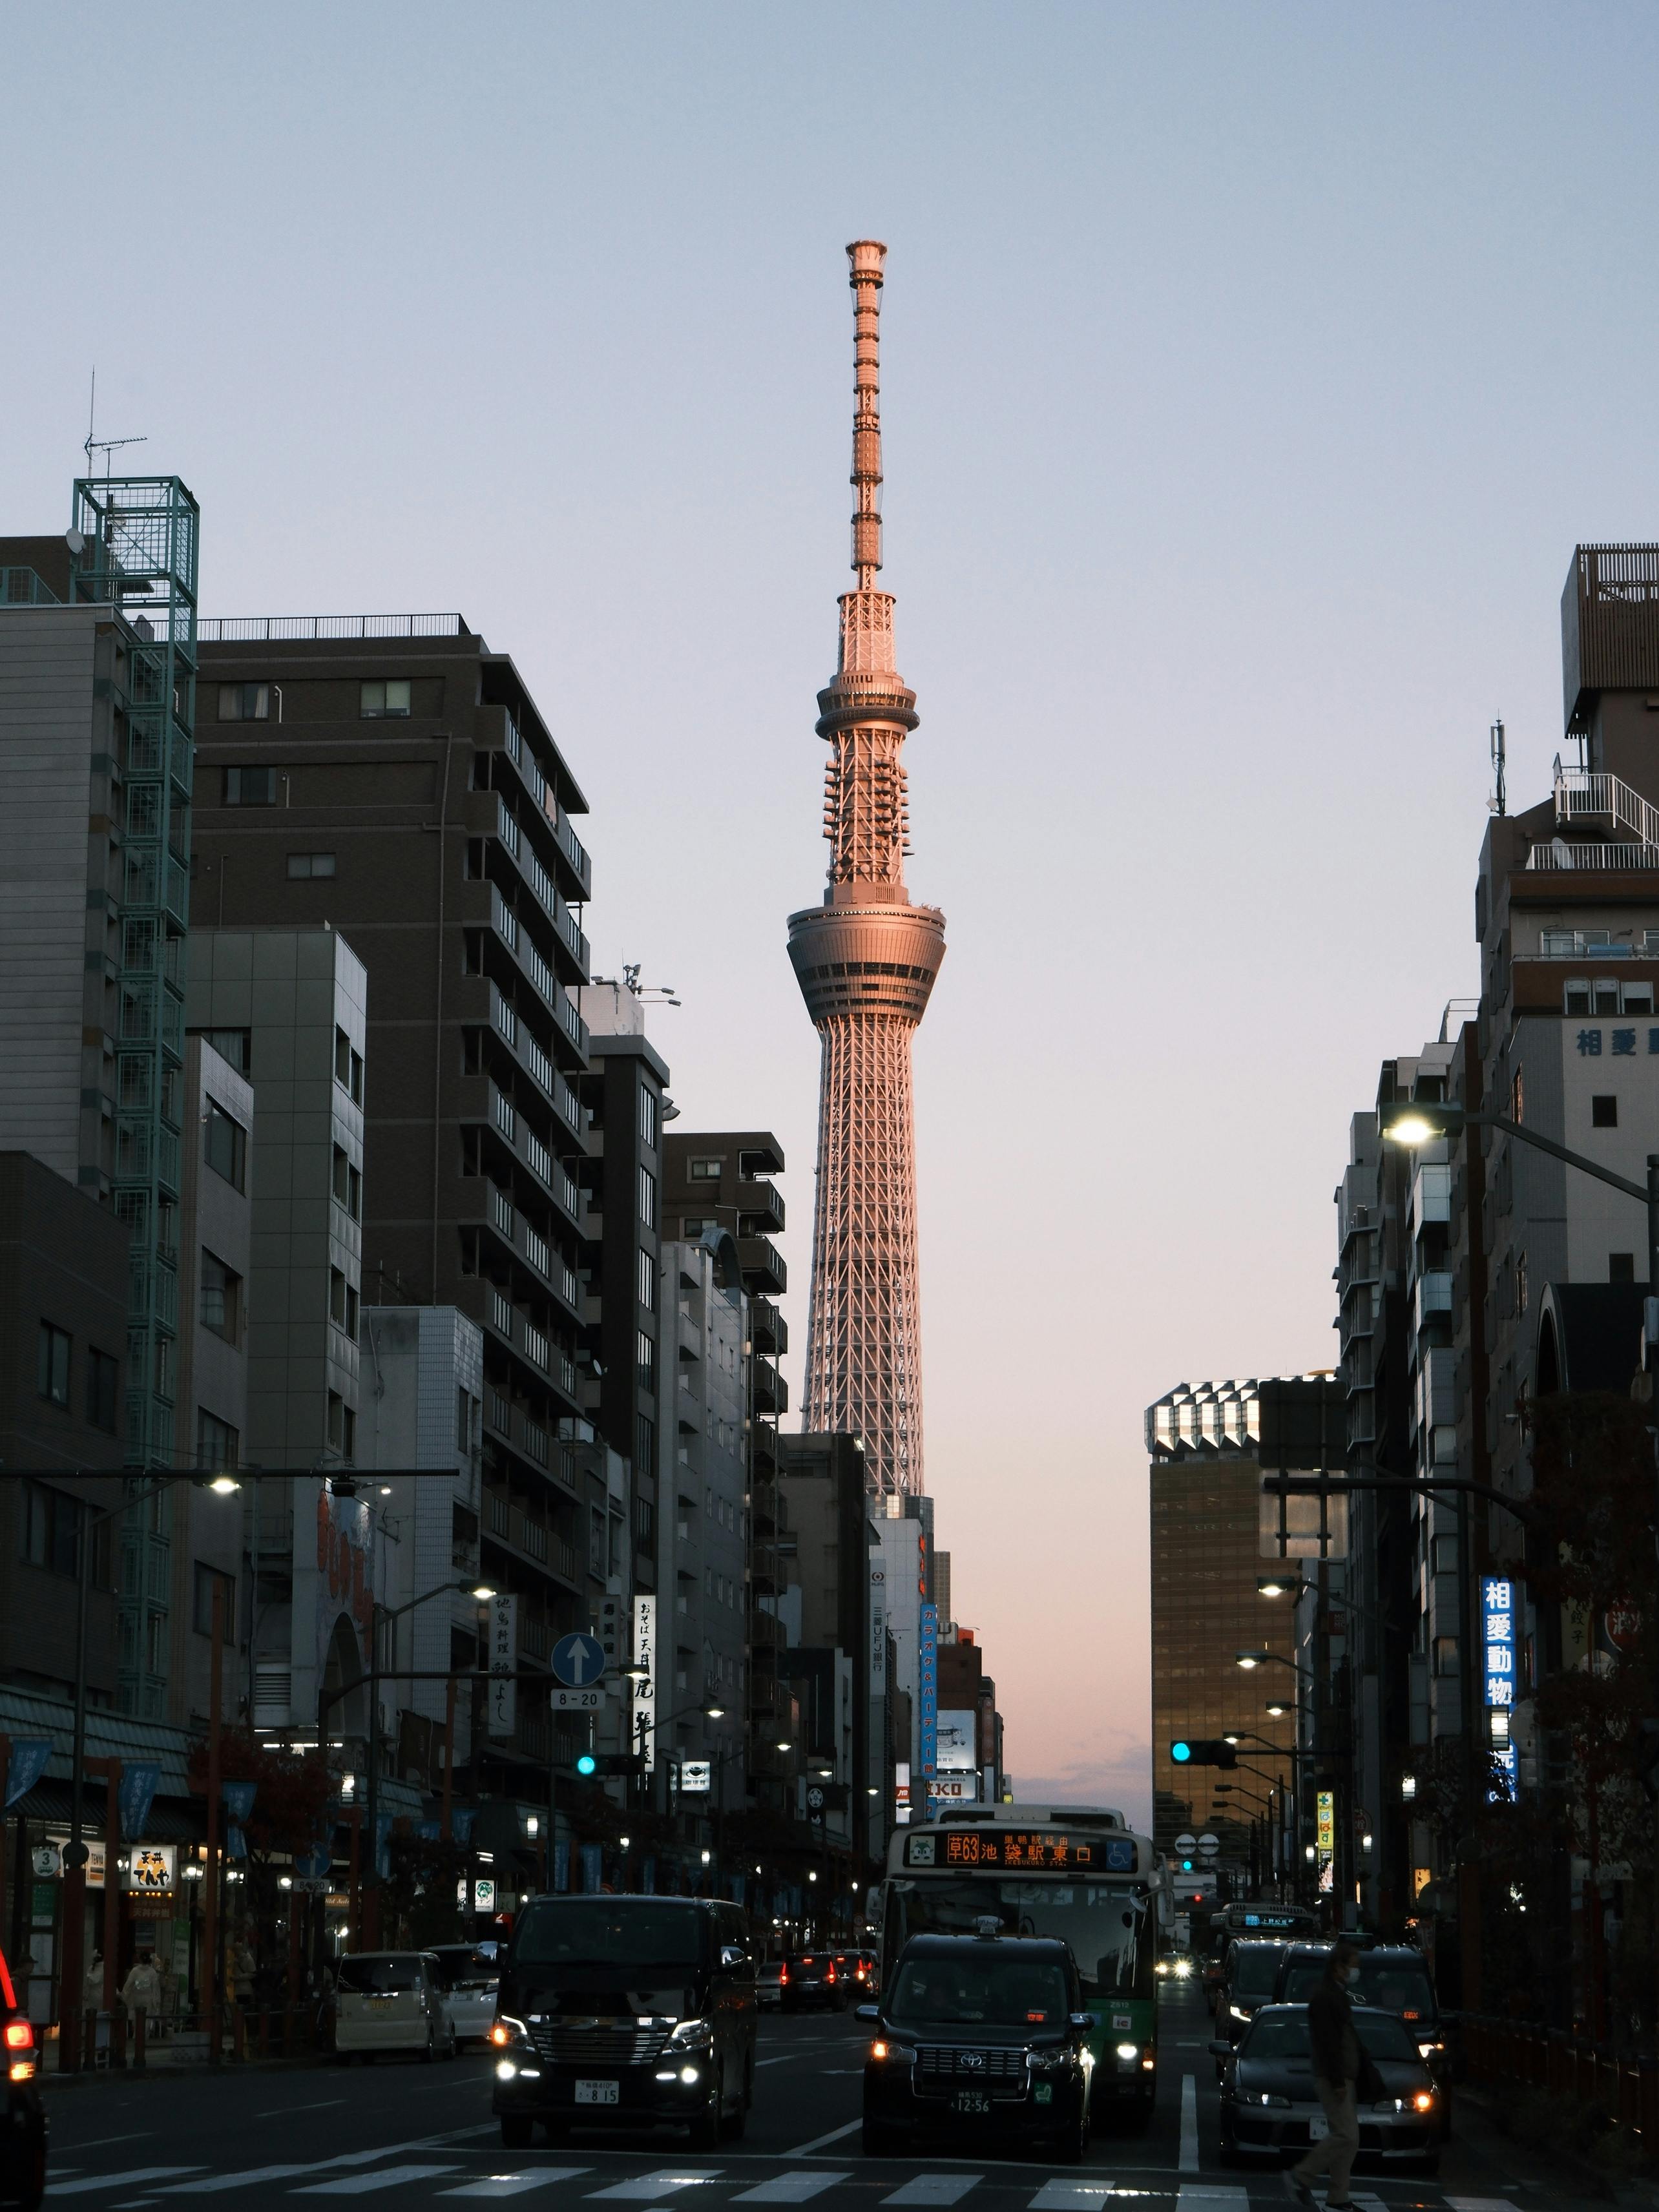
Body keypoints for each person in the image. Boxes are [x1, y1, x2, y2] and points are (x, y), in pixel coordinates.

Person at [1289, 1941, 1367, 2209]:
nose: (1356, 1972)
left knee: (1349, 2137)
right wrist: (1337, 2081)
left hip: (1342, 2075)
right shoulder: (1327, 1998)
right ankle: (1301, 2177)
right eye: (1353, 1966)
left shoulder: (1336, 1994)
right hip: (1335, 2076)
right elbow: (1328, 2042)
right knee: (1345, 2135)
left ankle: (1339, 2196)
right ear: (1339, 1967)